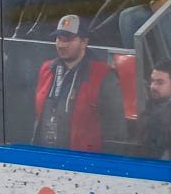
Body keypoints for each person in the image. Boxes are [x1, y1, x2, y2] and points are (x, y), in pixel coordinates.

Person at [33, 13, 125, 153]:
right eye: (58, 39)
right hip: (46, 157)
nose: (62, 44)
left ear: (84, 42)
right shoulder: (47, 69)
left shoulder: (104, 75)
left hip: (83, 162)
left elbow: (116, 129)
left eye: (68, 39)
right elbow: (38, 117)